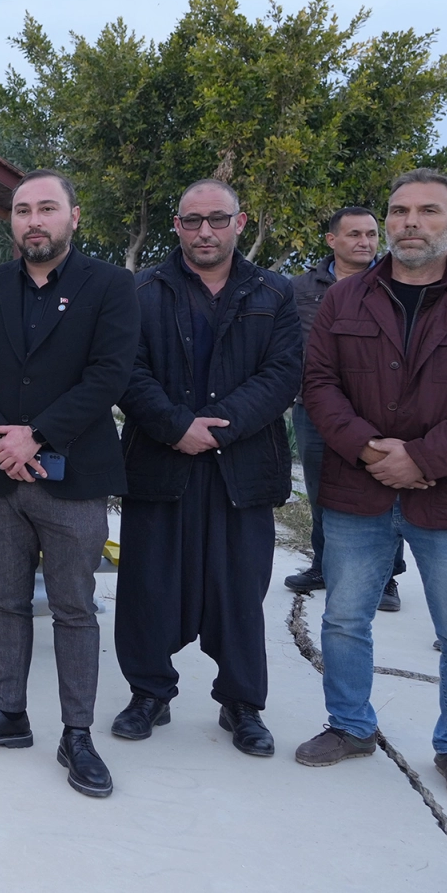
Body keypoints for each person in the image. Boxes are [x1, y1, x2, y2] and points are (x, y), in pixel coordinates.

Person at [298, 168, 447, 804]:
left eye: (428, 211)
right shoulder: (343, 301)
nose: (410, 223)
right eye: (399, 211)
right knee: (344, 619)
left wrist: (422, 459)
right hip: (357, 487)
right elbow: (319, 385)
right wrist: (371, 450)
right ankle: (349, 726)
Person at [0, 169, 138, 800]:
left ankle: (77, 733)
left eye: (47, 208)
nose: (33, 221)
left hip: (73, 477)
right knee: (6, 600)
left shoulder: (110, 286)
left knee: (75, 610)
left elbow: (109, 374)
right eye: (23, 211)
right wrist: (3, 440)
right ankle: (8, 714)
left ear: (73, 217)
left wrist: (38, 435)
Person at [114, 180, 302, 758]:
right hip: (160, 462)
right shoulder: (140, 289)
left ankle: (241, 704)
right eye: (192, 221)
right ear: (176, 225)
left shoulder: (274, 291)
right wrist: (176, 426)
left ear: (239, 223)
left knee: (240, 589)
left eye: (216, 220)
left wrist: (216, 425)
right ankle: (149, 693)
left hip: (240, 468)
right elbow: (124, 369)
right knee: (148, 584)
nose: (205, 232)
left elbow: (283, 374)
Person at [284, 207, 404, 602]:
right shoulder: (300, 289)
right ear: (332, 240)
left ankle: (385, 579)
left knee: (383, 490)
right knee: (322, 491)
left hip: (378, 410)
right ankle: (324, 565)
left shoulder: (396, 284)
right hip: (315, 407)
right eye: (354, 234)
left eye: (371, 234)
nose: (365, 242)